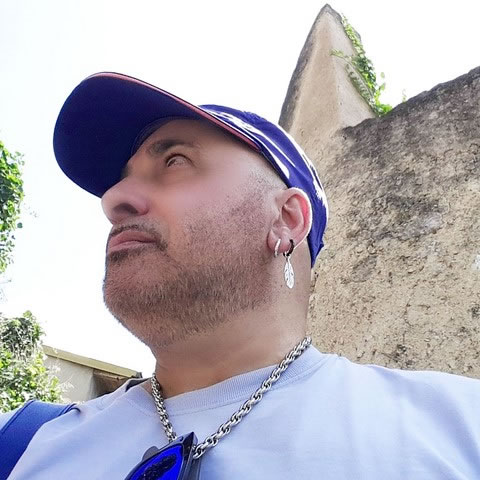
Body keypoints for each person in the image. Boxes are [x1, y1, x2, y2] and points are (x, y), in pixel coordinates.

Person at [1, 72, 479, 479]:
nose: (113, 200)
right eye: (123, 177)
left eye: (174, 161)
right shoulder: (25, 444)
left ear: (287, 219)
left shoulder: (457, 430)